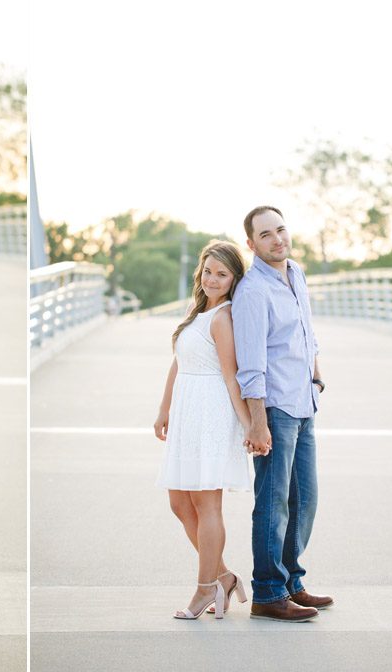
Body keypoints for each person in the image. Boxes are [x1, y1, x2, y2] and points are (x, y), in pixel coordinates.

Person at [232, 205, 333, 623]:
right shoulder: (253, 290)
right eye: (266, 235)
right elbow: (251, 362)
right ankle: (268, 593)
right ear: (252, 244)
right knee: (273, 502)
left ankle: (292, 581)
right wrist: (257, 421)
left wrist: (314, 369)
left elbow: (303, 330)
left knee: (304, 500)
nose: (278, 239)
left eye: (281, 230)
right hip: (274, 407)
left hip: (304, 399)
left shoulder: (296, 273)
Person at [154, 240, 255, 620]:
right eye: (208, 271)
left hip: (211, 414)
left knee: (206, 503)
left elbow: (231, 378)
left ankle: (203, 591)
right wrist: (164, 408)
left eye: (222, 274)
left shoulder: (223, 317)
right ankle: (224, 577)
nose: (213, 279)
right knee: (179, 502)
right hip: (186, 412)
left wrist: (250, 426)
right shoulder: (199, 312)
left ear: (234, 279)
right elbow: (178, 363)